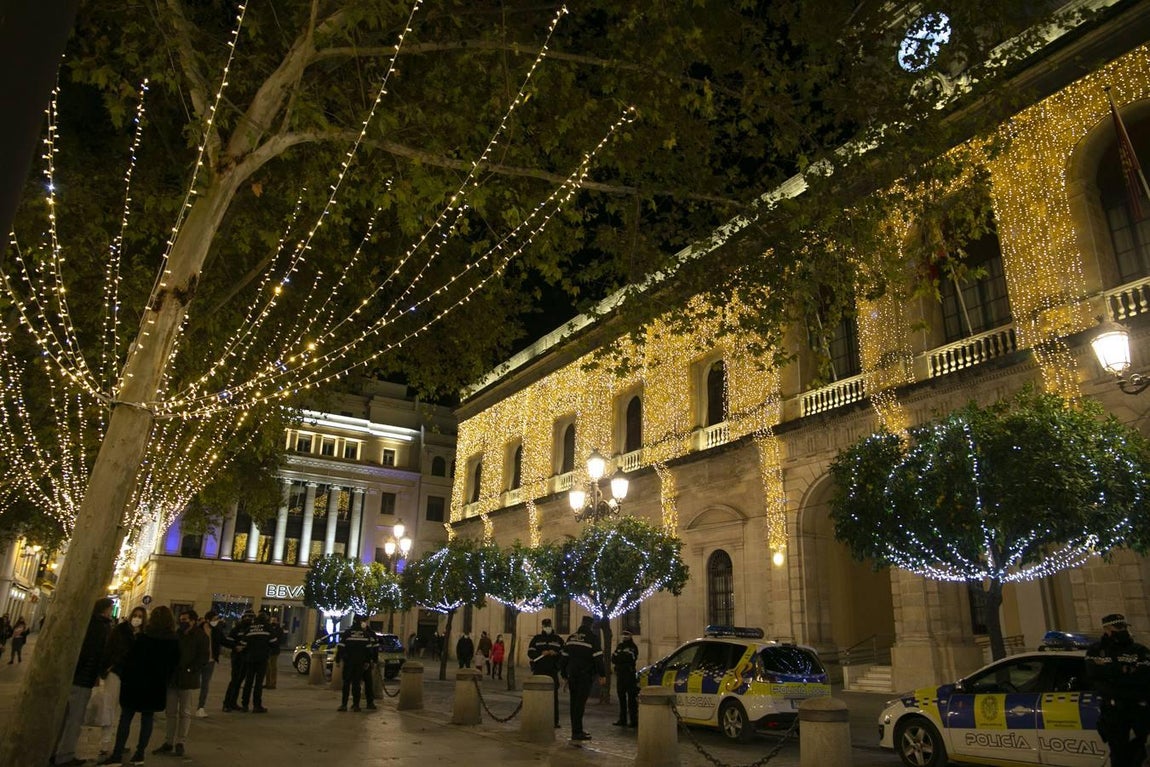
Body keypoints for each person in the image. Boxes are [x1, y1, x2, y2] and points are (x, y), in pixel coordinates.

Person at [98, 605, 180, 766]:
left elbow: (131, 660)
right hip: (155, 686)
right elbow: (174, 665)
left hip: (135, 684)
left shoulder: (144, 638)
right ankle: (139, 755)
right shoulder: (174, 641)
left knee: (126, 718)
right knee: (147, 719)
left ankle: (116, 755)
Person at [52, 597, 114, 767]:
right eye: (110, 608)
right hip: (83, 678)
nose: (111, 612)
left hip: (73, 676)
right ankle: (64, 756)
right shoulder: (101, 627)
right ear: (105, 609)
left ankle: (54, 751)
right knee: (75, 719)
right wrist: (97, 673)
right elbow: (94, 653)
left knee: (64, 718)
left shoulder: (87, 623)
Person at [1085, 613, 1150, 767]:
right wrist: (1127, 671)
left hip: (1138, 711)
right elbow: (1096, 677)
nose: (1122, 630)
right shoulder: (1096, 651)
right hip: (1113, 712)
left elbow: (1144, 677)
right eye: (1118, 627)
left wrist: (1112, 673)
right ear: (1107, 629)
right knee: (1119, 755)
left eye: (1123, 627)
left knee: (1139, 755)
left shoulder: (1139, 650)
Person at [153, 610, 210, 758]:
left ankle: (180, 742)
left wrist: (192, 669)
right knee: (170, 712)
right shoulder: (176, 634)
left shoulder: (200, 636)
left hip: (187, 678)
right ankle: (169, 741)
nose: (182, 622)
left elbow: (203, 657)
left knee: (185, 712)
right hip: (173, 678)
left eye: (185, 619)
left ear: (193, 620)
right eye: (181, 619)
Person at [98, 605, 147, 757]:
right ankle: (105, 743)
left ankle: (121, 742)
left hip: (131, 677)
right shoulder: (120, 630)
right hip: (115, 672)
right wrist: (104, 669)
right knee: (109, 707)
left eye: (140, 616)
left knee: (126, 712)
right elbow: (109, 648)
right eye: (136, 615)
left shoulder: (144, 635)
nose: (137, 618)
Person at [561, 616, 605, 741]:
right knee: (580, 704)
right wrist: (602, 675)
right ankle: (577, 732)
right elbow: (598, 658)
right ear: (590, 626)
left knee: (574, 703)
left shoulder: (571, 638)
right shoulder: (592, 639)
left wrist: (564, 675)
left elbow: (564, 658)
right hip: (584, 676)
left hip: (572, 676)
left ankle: (576, 730)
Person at [527, 618, 565, 728]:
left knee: (554, 697)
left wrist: (555, 654)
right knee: (537, 695)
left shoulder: (558, 640)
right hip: (539, 670)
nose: (547, 627)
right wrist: (540, 653)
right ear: (542, 626)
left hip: (552, 671)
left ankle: (554, 721)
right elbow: (530, 652)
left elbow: (564, 653)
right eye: (545, 625)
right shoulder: (537, 639)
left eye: (548, 625)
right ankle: (537, 718)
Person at [335, 615, 374, 712]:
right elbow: (369, 651)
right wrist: (367, 662)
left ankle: (344, 705)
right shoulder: (365, 634)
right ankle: (356, 705)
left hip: (348, 662)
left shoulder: (347, 633)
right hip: (359, 663)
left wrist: (338, 660)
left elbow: (341, 647)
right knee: (357, 684)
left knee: (346, 683)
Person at [240, 612, 275, 713]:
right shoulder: (267, 628)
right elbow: (274, 642)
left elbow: (243, 643)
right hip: (262, 658)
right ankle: (257, 705)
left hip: (250, 658)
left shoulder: (250, 628)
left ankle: (244, 705)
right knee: (258, 683)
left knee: (248, 682)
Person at [221, 610, 253, 712]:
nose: (248, 619)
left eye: (251, 617)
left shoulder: (252, 629)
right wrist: (236, 647)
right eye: (247, 617)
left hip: (247, 657)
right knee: (234, 680)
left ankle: (233, 702)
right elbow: (229, 641)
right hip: (237, 657)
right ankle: (226, 703)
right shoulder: (237, 628)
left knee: (239, 681)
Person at [196, 610, 225, 718]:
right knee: (190, 684)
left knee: (205, 685)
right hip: (198, 661)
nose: (216, 621)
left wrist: (237, 645)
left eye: (217, 619)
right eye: (214, 619)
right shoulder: (198, 630)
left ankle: (200, 708)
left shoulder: (216, 631)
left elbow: (224, 641)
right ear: (208, 620)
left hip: (210, 661)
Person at [611, 630, 640, 728]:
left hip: (629, 674)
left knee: (631, 699)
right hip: (620, 675)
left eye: (626, 634)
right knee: (621, 698)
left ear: (631, 636)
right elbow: (613, 658)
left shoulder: (633, 647)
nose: (624, 636)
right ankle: (622, 719)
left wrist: (620, 658)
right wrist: (622, 658)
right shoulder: (620, 646)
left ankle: (633, 720)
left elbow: (631, 658)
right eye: (623, 634)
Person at [264, 613, 283, 690]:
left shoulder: (279, 629)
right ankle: (267, 683)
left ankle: (273, 683)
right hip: (268, 650)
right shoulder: (268, 628)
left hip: (275, 651)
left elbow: (278, 639)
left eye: (274, 620)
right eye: (272, 620)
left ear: (277, 621)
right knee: (267, 668)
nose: (273, 621)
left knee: (273, 667)